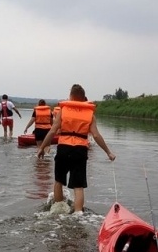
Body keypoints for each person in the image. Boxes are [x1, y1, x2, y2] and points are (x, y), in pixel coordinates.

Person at [37, 84, 116, 214]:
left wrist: (42, 147)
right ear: (83, 98)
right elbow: (96, 135)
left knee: (58, 181)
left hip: (64, 148)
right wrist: (108, 152)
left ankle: (58, 210)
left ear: (71, 97)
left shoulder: (64, 110)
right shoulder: (90, 114)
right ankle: (78, 215)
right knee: (78, 186)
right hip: (80, 150)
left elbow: (52, 131)